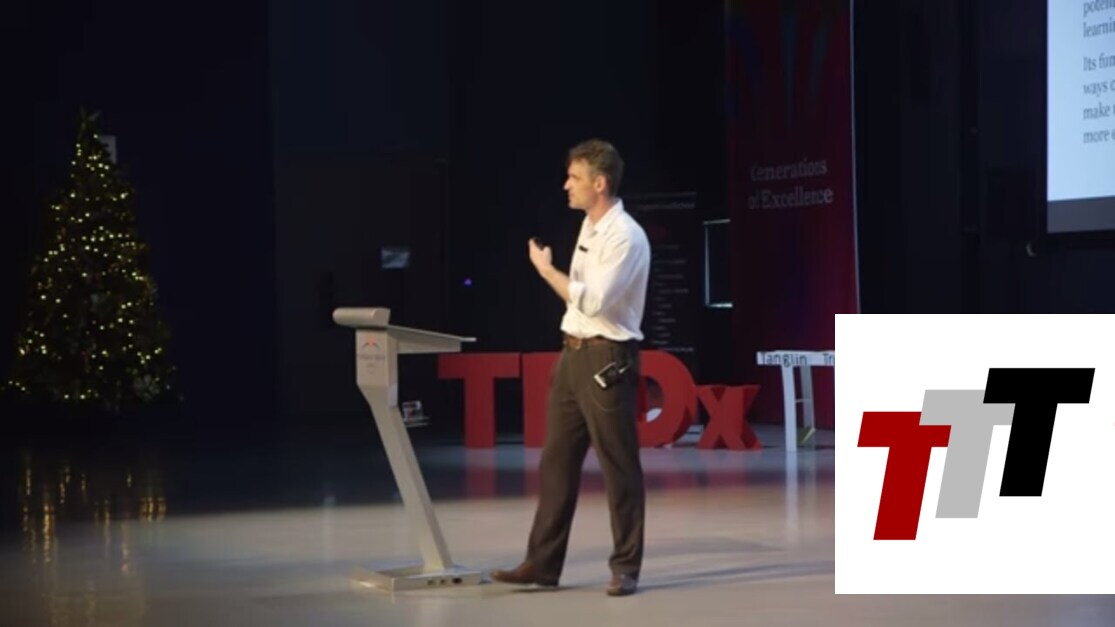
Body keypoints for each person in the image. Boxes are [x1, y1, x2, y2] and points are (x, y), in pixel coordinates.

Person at [490, 139, 650, 597]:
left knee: (619, 467)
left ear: (600, 183)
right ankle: (542, 564)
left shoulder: (625, 236)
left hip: (607, 358)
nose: (566, 185)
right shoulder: (589, 225)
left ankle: (626, 567)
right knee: (556, 464)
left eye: (575, 177)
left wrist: (546, 271)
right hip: (573, 354)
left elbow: (594, 301)